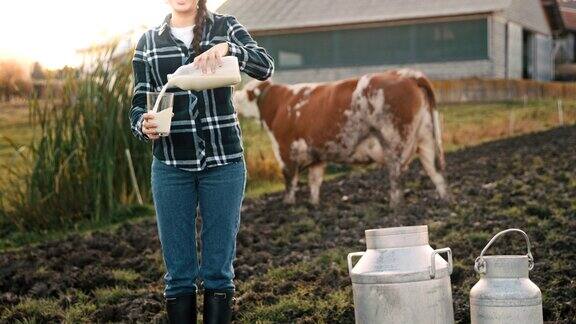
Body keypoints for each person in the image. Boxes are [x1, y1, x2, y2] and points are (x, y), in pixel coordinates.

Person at [128, 0, 274, 322]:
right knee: (178, 274)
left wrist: (228, 49)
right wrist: (143, 124)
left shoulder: (225, 27)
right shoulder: (148, 42)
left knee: (218, 272)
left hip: (224, 163)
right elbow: (140, 102)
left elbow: (265, 67)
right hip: (170, 165)